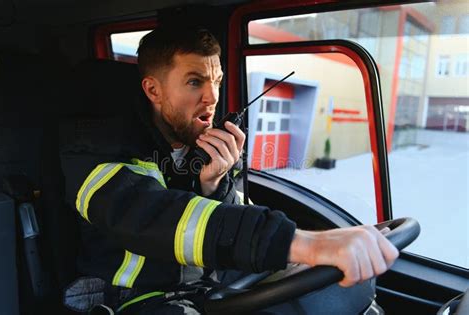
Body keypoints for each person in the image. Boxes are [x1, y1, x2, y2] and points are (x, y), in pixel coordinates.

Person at [62, 26, 398, 314]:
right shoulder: (93, 147)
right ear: (154, 90)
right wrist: (305, 243)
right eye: (195, 82)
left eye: (216, 81)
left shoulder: (198, 145)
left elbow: (226, 229)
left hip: (206, 289)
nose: (212, 97)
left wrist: (215, 184)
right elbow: (155, 218)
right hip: (134, 298)